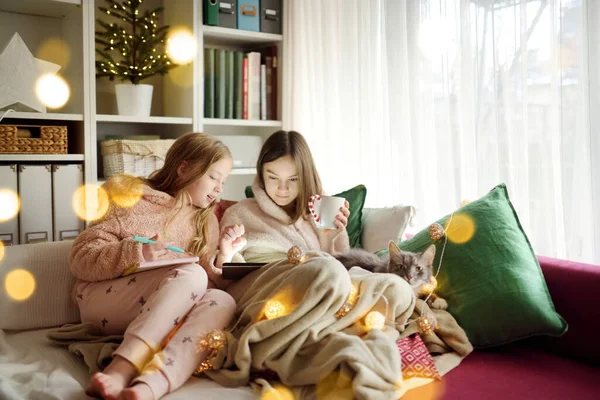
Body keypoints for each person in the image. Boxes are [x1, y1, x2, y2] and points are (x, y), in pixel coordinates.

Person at [69, 133, 245, 400]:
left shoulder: (205, 221)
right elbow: (81, 259)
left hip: (159, 309)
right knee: (191, 273)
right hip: (103, 300)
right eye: (213, 176)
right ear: (184, 168)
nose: (220, 188)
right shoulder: (130, 198)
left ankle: (151, 385)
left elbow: (205, 285)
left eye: (224, 180)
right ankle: (121, 370)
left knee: (222, 300)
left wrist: (224, 254)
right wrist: (138, 253)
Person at [221, 130, 350, 264]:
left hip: (321, 280)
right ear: (261, 173)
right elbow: (227, 273)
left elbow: (339, 272)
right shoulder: (239, 214)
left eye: (293, 179)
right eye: (273, 177)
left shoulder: (322, 214)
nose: (283, 188)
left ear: (305, 178)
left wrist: (327, 241)